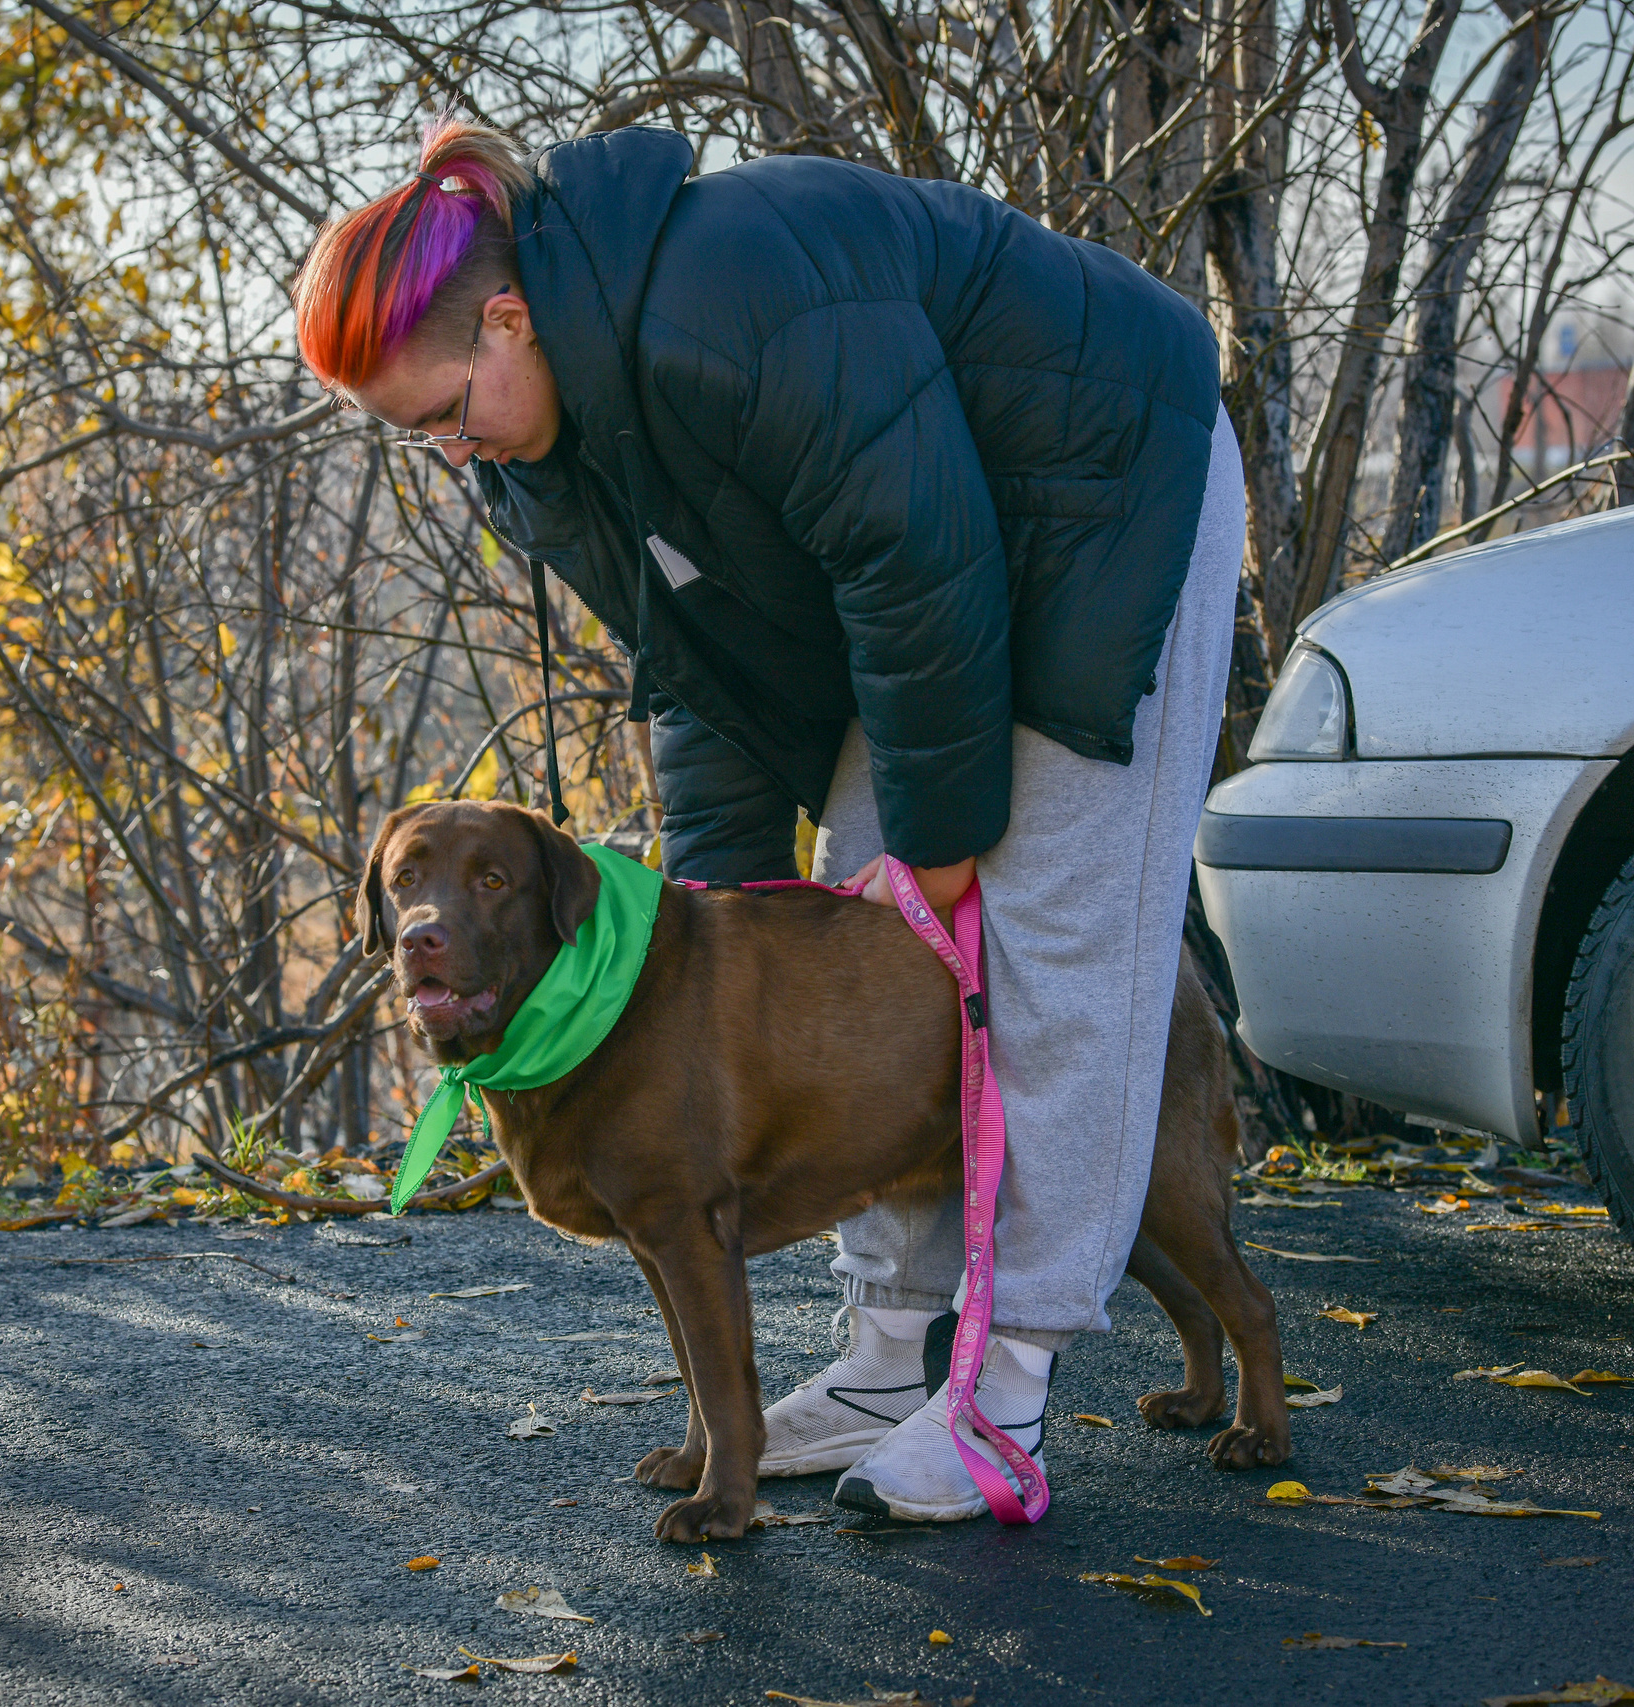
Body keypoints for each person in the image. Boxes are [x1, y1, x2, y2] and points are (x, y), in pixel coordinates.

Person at [290, 119, 1241, 1523]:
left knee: (1046, 943)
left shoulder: (724, 288)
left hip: (1105, 491)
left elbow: (916, 550)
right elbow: (698, 658)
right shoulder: (545, 451)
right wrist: (725, 899)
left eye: (441, 410)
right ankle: (883, 1356)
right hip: (939, 569)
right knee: (860, 952)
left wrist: (944, 827)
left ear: (509, 317)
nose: (444, 451)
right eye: (416, 433)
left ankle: (1004, 1385)